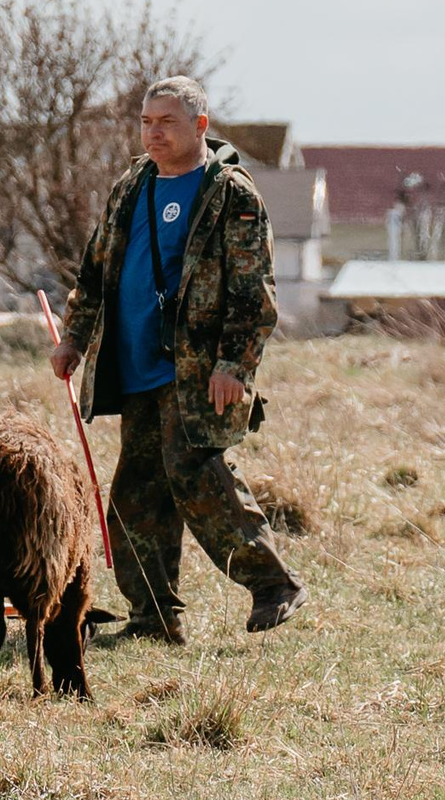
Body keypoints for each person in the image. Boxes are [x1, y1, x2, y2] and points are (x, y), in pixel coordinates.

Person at [49, 75, 305, 639]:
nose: (154, 133)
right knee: (135, 496)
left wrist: (233, 366)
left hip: (197, 373)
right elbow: (95, 272)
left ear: (200, 127)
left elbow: (254, 291)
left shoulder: (231, 194)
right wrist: (74, 338)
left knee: (199, 478)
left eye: (167, 122)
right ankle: (154, 618)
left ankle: (272, 583)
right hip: (133, 364)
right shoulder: (132, 186)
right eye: (146, 122)